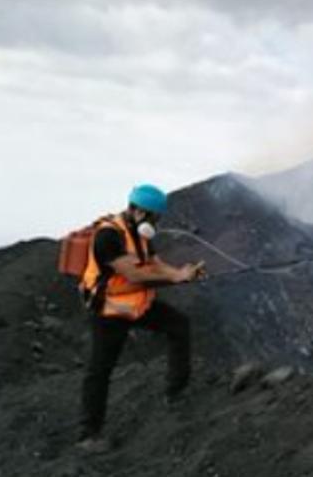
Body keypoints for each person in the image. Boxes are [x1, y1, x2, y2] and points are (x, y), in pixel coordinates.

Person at [76, 184, 206, 454]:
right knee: (100, 371)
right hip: (109, 312)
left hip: (136, 305)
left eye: (157, 218)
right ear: (135, 210)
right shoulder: (108, 236)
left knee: (179, 326)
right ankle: (89, 435)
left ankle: (176, 393)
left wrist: (181, 273)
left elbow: (155, 264)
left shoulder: (141, 234)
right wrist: (174, 277)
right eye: (152, 217)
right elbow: (133, 275)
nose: (155, 223)